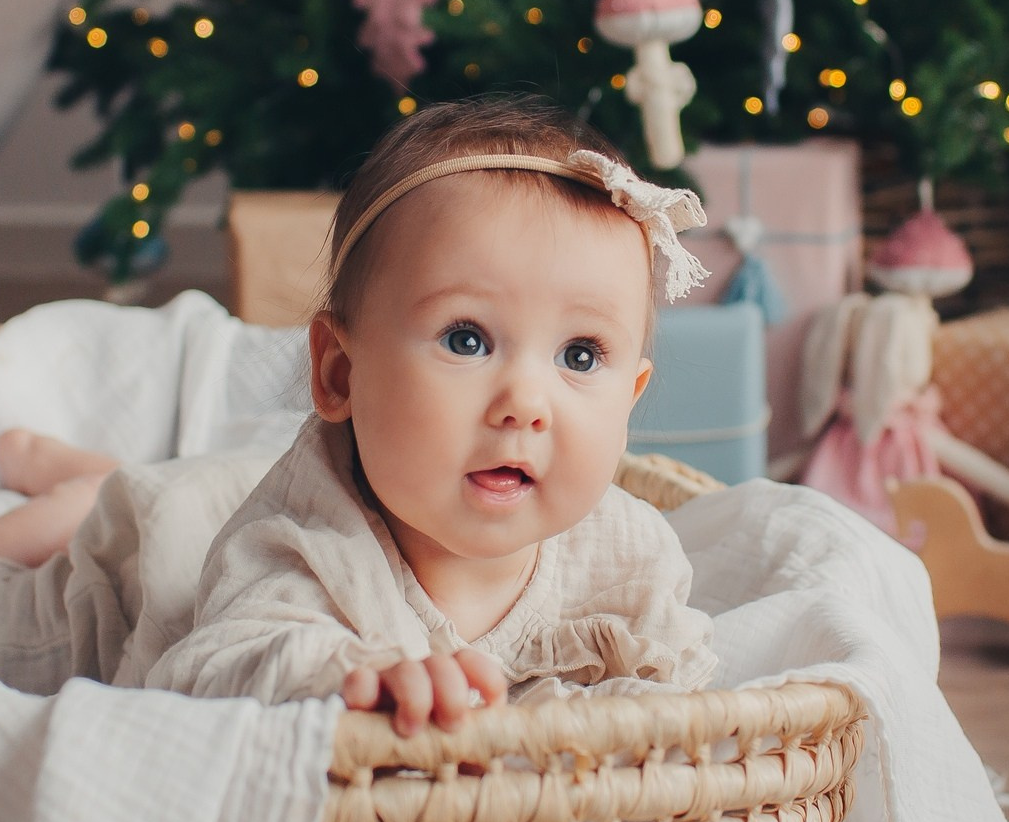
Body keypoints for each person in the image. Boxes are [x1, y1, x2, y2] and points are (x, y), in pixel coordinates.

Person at [143, 97, 717, 731]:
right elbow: (219, 674)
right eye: (466, 340)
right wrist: (346, 685)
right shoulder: (302, 550)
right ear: (341, 373)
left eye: (579, 355)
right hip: (154, 548)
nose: (525, 404)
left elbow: (679, 714)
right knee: (141, 523)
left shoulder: (630, 558)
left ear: (629, 401)